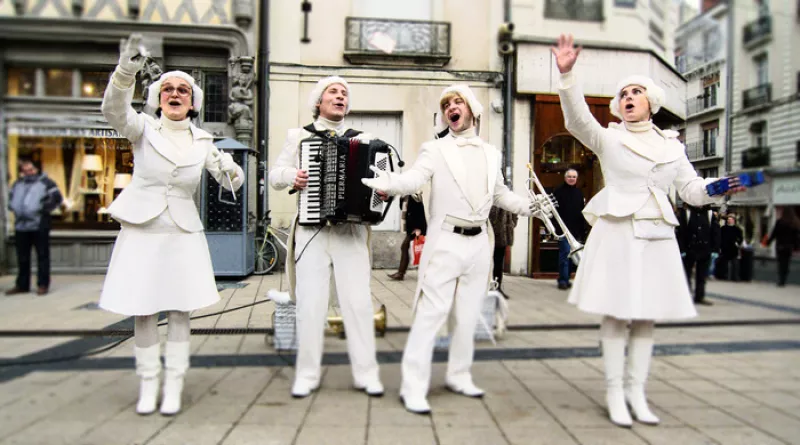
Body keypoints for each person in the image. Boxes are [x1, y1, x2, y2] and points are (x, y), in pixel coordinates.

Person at [551, 34, 744, 428]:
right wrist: (568, 75)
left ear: (651, 103)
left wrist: (718, 187)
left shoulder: (674, 147)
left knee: (645, 318)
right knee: (616, 315)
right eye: (623, 93)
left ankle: (636, 391)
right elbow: (576, 120)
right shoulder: (609, 138)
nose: (629, 97)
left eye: (637, 91)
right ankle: (613, 392)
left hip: (656, 233)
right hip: (618, 231)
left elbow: (690, 190)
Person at [362, 84, 550, 414]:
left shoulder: (491, 153)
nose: (451, 106)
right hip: (446, 240)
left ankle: (459, 374)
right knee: (431, 315)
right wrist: (390, 183)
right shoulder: (435, 150)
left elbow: (500, 195)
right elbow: (414, 178)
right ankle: (413, 386)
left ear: (472, 110)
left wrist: (529, 207)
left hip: (480, 243)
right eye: (447, 103)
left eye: (457, 101)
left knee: (467, 317)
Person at [99, 34, 244, 416]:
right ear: (158, 98)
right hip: (142, 228)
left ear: (192, 101)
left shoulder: (203, 139)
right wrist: (127, 68)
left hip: (183, 231)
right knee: (144, 309)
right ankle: (149, 384)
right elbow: (114, 110)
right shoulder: (142, 128)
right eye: (168, 89)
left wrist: (232, 170)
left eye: (183, 90)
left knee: (181, 310)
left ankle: (175, 383)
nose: (175, 94)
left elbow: (231, 179)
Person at [269, 76, 384, 399]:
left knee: (358, 303)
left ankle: (366, 374)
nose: (340, 96)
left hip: (350, 232)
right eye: (333, 92)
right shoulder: (299, 137)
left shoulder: (364, 139)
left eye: (345, 93)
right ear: (318, 102)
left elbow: (381, 179)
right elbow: (275, 175)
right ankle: (307, 374)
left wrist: (383, 192)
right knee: (310, 305)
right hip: (311, 232)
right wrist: (293, 175)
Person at [6, 159, 63, 296]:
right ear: (22, 172)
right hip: (21, 225)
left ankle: (43, 284)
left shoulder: (46, 183)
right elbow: (11, 197)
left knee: (42, 256)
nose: (28, 173)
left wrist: (42, 209)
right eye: (25, 170)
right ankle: (22, 285)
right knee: (22, 257)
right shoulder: (17, 184)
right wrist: (13, 207)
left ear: (36, 169)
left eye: (30, 169)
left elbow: (57, 198)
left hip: (39, 225)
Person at [677, 204, 719, 305]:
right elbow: (681, 232)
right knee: (686, 274)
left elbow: (715, 232)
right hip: (689, 249)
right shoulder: (686, 213)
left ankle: (700, 296)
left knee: (702, 275)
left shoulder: (709, 214)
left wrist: (715, 249)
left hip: (705, 249)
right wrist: (682, 248)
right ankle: (686, 297)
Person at [552, 168, 585, 290]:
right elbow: (553, 211)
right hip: (563, 230)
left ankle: (566, 278)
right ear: (565, 178)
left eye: (574, 177)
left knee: (572, 256)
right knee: (565, 255)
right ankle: (563, 280)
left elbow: (581, 212)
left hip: (575, 231)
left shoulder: (579, 193)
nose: (572, 179)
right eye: (569, 177)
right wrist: (556, 228)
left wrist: (582, 231)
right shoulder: (558, 192)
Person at [388, 194, 428, 281]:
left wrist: (418, 228)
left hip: (416, 228)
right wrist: (401, 198)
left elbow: (420, 212)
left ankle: (401, 273)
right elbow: (402, 208)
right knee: (408, 248)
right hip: (411, 228)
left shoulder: (415, 196)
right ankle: (401, 273)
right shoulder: (406, 196)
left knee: (405, 247)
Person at [763, 207, 800, 286]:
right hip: (789, 247)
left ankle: (781, 280)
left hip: (780, 246)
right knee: (786, 263)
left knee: (781, 263)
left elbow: (774, 233)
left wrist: (768, 242)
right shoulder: (794, 223)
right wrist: (796, 247)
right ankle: (784, 279)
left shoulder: (780, 222)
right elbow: (796, 237)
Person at [488, 206, 518, 297]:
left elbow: (514, 212)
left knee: (499, 263)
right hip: (494, 234)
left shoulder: (508, 197)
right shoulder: (496, 197)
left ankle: (497, 287)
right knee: (491, 263)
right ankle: (491, 287)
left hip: (504, 234)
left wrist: (513, 222)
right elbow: (491, 216)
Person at [718, 214, 743, 281]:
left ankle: (735, 277)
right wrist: (720, 246)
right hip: (725, 248)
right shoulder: (723, 228)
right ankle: (723, 276)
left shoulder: (737, 229)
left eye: (731, 219)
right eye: (728, 219)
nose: (729, 221)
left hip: (733, 249)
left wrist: (737, 243)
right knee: (724, 264)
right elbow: (720, 238)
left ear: (734, 220)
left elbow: (740, 238)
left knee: (735, 264)